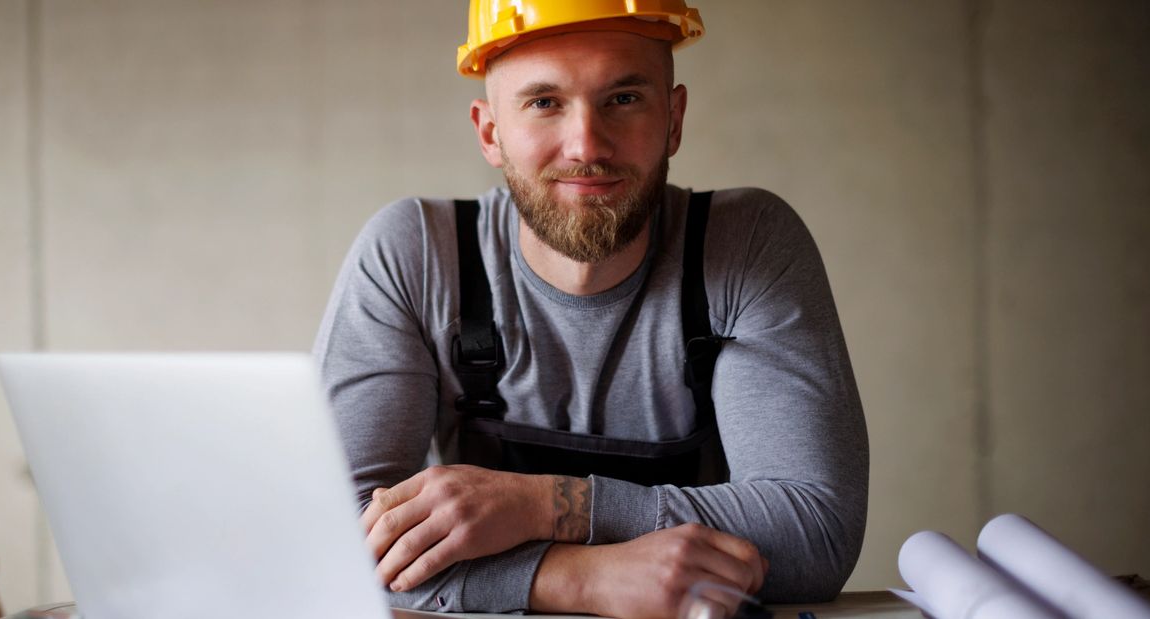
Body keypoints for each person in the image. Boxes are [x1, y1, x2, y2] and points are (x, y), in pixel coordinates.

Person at [313, 1, 868, 616]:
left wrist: (541, 505)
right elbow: (329, 538)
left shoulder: (747, 246)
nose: (588, 145)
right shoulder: (416, 256)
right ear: (490, 132)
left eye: (624, 98)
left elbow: (815, 532)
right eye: (544, 102)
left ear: (675, 119)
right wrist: (580, 577)